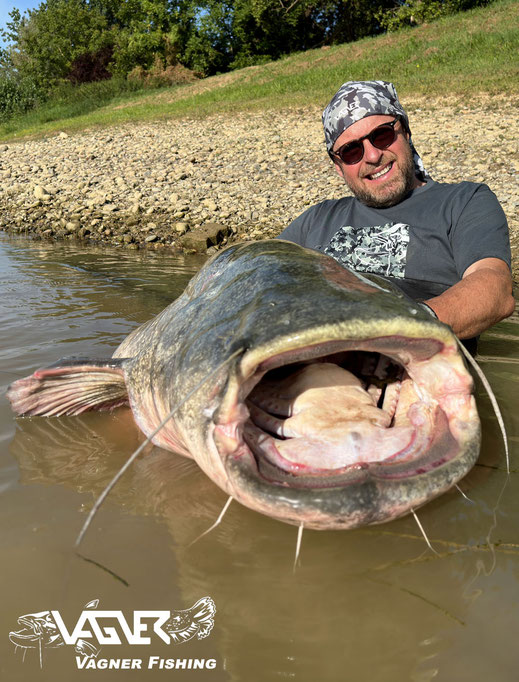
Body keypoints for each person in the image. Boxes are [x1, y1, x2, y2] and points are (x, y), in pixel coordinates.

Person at [278, 80, 515, 349]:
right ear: (338, 165)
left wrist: (399, 327)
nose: (372, 155)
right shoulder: (317, 219)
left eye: (381, 135)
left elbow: (495, 287)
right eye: (351, 151)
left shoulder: (463, 202)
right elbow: (258, 274)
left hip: (410, 369)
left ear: (406, 132)